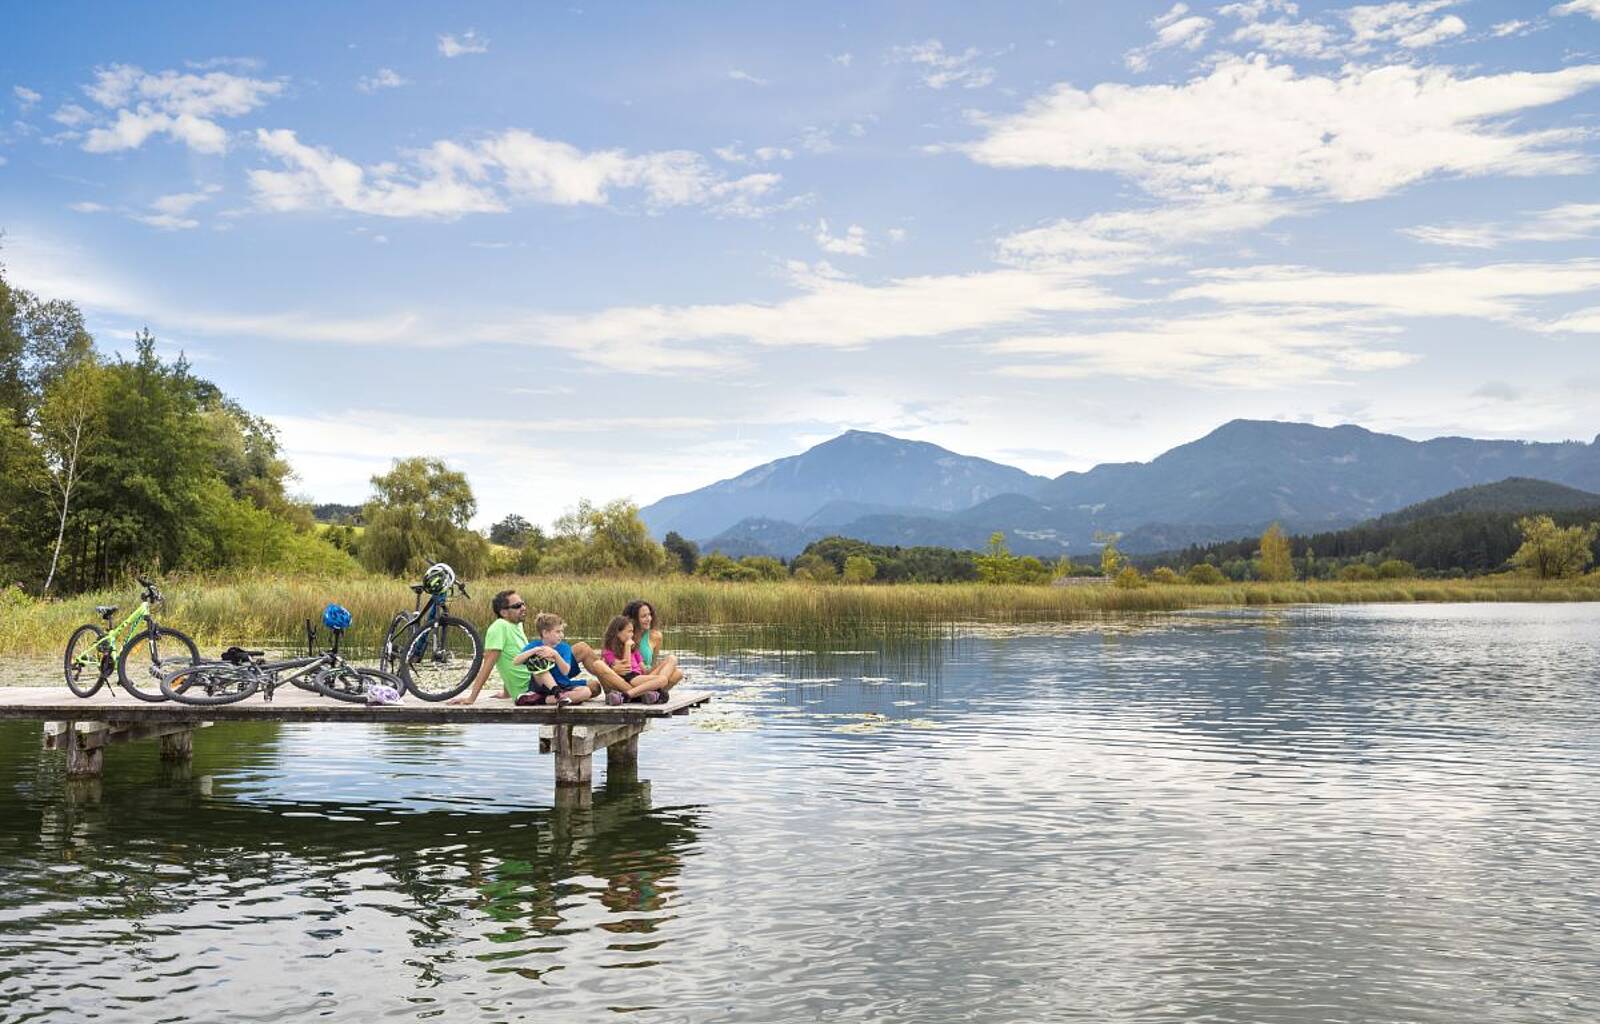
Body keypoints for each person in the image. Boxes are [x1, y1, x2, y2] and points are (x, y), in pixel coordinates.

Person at [449, 589, 531, 704]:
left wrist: (506, 693)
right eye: (517, 606)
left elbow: (508, 659)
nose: (523, 607)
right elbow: (488, 665)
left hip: (536, 680)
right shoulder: (499, 627)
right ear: (504, 613)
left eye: (523, 603)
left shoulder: (517, 624)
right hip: (530, 690)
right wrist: (471, 698)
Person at [513, 612, 604, 706]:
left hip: (562, 685)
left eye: (562, 631)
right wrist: (535, 651)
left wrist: (556, 655)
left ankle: (544, 699)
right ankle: (559, 696)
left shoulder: (564, 648)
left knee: (587, 692)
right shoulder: (535, 645)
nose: (561, 635)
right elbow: (516, 662)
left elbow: (565, 671)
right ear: (545, 633)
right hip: (541, 687)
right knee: (538, 664)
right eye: (558, 632)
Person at [599, 614, 670, 704]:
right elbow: (626, 669)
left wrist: (657, 666)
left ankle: (638, 695)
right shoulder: (608, 651)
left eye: (632, 632)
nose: (632, 635)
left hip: (637, 676)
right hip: (628, 677)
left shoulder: (634, 649)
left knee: (663, 688)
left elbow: (643, 669)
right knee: (663, 680)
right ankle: (626, 696)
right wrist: (627, 646)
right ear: (618, 633)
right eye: (629, 631)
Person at [623, 599, 684, 691]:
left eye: (649, 614)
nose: (649, 619)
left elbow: (651, 665)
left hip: (648, 676)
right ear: (634, 619)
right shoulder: (625, 636)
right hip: (633, 680)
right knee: (672, 659)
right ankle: (654, 691)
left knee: (678, 673)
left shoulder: (656, 636)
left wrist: (659, 666)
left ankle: (652, 690)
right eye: (644, 616)